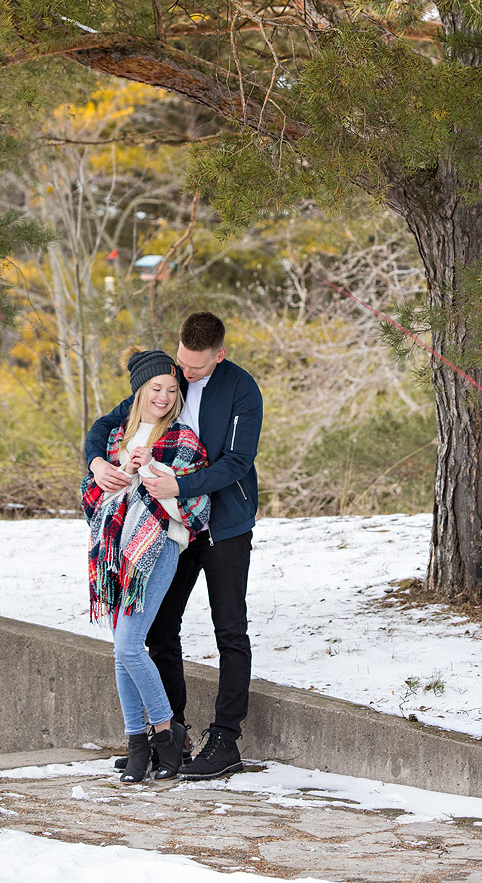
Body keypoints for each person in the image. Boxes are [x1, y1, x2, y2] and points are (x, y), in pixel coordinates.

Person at [85, 311, 263, 779]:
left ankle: (225, 739)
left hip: (223, 525)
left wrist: (180, 488)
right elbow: (109, 423)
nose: (185, 375)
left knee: (230, 631)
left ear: (219, 356)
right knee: (160, 630)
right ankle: (174, 735)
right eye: (182, 362)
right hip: (169, 529)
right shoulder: (167, 380)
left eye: (196, 367)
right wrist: (97, 461)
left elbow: (238, 462)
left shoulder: (242, 389)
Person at [81, 348, 210, 783]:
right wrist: (113, 471)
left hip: (159, 549)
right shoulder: (117, 437)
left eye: (172, 390)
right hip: (116, 554)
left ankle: (164, 731)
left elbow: (194, 507)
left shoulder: (184, 438)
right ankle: (138, 744)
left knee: (129, 646)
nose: (164, 397)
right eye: (156, 388)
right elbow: (91, 500)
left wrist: (149, 470)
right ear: (140, 390)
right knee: (123, 650)